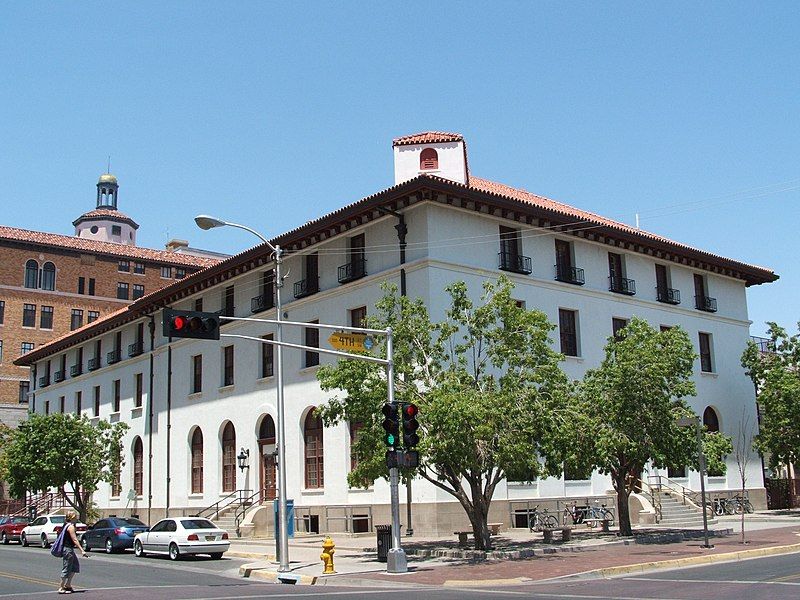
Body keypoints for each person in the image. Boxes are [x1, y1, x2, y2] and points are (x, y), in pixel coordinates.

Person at [59, 511, 88, 594]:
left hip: (69, 549)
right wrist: (82, 550)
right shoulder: (70, 527)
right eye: (75, 517)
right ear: (72, 518)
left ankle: (68, 585)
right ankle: (61, 587)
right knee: (67, 568)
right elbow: (74, 539)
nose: (76, 518)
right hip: (68, 549)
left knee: (75, 566)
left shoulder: (66, 525)